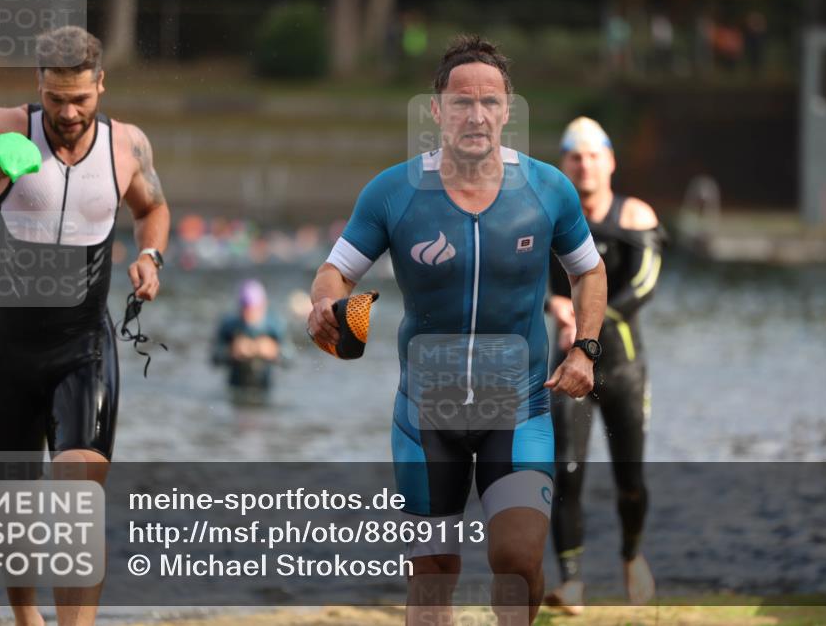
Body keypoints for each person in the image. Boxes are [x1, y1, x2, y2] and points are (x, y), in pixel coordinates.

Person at [307, 35, 607, 625]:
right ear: (437, 111)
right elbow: (335, 272)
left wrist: (585, 349)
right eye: (462, 102)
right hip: (426, 416)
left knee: (516, 558)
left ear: (507, 110)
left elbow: (589, 272)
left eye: (490, 102)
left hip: (518, 408)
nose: (477, 114)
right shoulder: (393, 192)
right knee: (433, 573)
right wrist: (324, 306)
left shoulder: (547, 190)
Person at [0, 26, 170, 626]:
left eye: (81, 100)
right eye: (57, 97)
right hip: (6, 354)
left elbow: (153, 208)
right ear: (40, 85)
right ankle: (26, 620)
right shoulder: (9, 127)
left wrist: (151, 256)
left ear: (101, 85)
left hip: (83, 347)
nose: (68, 112)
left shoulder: (127, 146)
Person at [544, 117, 662, 611]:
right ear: (564, 165)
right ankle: (571, 581)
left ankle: (632, 556)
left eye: (593, 156)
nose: (584, 165)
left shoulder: (633, 216)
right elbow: (529, 280)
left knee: (629, 479)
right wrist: (555, 306)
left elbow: (645, 286)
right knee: (566, 470)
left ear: (610, 162)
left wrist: (589, 318)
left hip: (622, 368)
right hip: (568, 367)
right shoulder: (550, 219)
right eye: (575, 156)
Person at [212, 279, 286, 406]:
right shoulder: (230, 325)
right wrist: (232, 351)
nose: (250, 314)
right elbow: (214, 358)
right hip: (235, 387)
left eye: (254, 309)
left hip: (265, 390)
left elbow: (291, 358)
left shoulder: (274, 325)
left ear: (263, 306)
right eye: (246, 309)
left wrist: (274, 351)